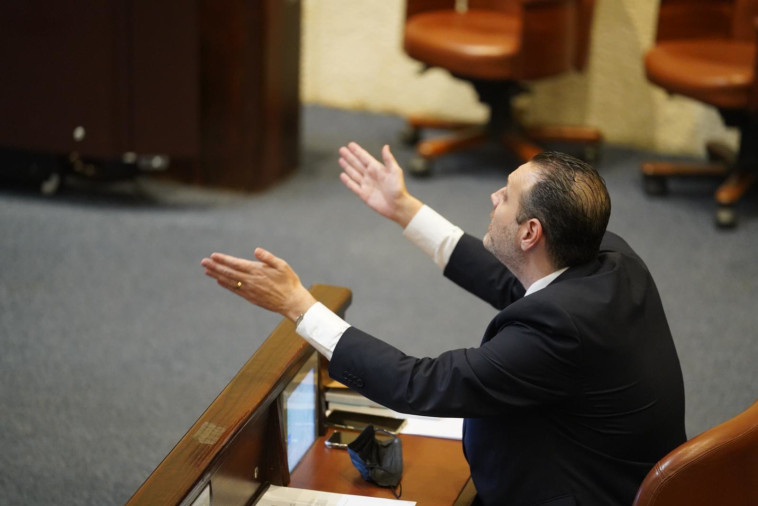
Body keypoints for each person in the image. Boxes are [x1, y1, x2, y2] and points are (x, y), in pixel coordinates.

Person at [201, 142, 686, 506]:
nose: (494, 195)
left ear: (531, 231)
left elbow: (421, 384)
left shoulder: (556, 334)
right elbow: (510, 278)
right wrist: (404, 209)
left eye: (508, 195)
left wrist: (298, 306)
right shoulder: (610, 256)